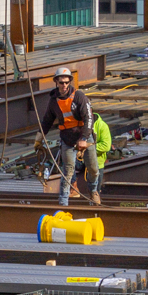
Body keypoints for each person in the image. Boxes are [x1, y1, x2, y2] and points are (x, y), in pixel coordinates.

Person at [38, 67, 98, 206]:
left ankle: (93, 191)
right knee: (67, 171)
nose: (64, 85)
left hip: (84, 137)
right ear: (56, 82)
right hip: (67, 139)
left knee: (93, 168)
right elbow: (47, 120)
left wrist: (84, 139)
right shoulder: (54, 101)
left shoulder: (79, 97)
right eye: (61, 82)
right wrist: (39, 138)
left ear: (69, 82)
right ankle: (63, 202)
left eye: (66, 82)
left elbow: (89, 118)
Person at [74, 111, 112, 206]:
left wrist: (88, 148)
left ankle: (94, 209)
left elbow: (106, 146)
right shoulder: (79, 123)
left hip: (97, 164)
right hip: (81, 164)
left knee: (95, 193)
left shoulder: (102, 126)